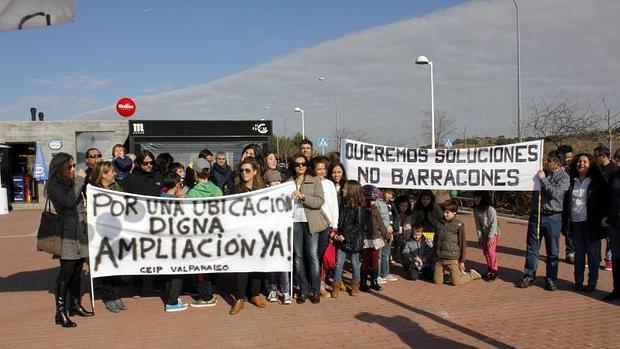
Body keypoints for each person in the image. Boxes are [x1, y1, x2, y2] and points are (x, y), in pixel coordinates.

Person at [46, 152, 92, 327]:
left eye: (74, 166)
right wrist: (79, 181)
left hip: (81, 230)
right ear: (61, 168)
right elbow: (68, 201)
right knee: (66, 272)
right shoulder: (54, 185)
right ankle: (60, 312)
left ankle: (74, 304)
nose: (73, 169)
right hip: (67, 232)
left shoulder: (73, 182)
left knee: (78, 270)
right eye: (70, 166)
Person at [521, 150, 571, 291]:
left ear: (558, 163)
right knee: (532, 247)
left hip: (553, 217)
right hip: (537, 215)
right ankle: (529, 275)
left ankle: (550, 279)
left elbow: (556, 193)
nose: (546, 163)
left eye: (549, 161)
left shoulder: (564, 177)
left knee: (553, 251)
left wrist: (543, 179)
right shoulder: (540, 173)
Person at [227, 158, 269, 314]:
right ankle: (239, 298)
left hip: (259, 232)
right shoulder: (236, 189)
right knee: (242, 266)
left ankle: (255, 294)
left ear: (255, 172)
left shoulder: (263, 190)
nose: (244, 173)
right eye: (242, 170)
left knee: (257, 265)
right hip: (242, 233)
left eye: (248, 170)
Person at [289, 153, 328, 304]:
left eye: (303, 164)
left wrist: (303, 197)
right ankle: (303, 291)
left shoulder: (314, 180)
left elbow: (320, 201)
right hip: (294, 222)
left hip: (311, 222)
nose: (300, 166)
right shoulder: (288, 182)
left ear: (307, 166)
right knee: (298, 257)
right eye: (297, 164)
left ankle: (316, 290)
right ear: (293, 166)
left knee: (312, 255)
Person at [564, 154, 606, 292]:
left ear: (590, 164)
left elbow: (603, 201)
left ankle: (592, 282)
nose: (581, 164)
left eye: (585, 162)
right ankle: (578, 281)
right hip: (575, 223)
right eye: (579, 161)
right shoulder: (571, 180)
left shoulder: (596, 181)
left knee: (593, 254)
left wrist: (604, 217)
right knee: (579, 253)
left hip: (591, 223)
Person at [90, 161, 127, 313]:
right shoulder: (95, 191)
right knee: (106, 266)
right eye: (111, 171)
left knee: (116, 267)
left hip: (117, 232)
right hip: (102, 234)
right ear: (103, 174)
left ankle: (116, 295)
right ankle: (110, 297)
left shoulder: (116, 187)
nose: (114, 174)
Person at [186, 159, 221, 308]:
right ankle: (211, 291)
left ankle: (206, 297)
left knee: (201, 266)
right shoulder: (217, 190)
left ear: (195, 173)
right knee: (211, 263)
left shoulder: (192, 193)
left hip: (199, 234)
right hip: (214, 233)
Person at [433, 200, 481, 286]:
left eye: (447, 212)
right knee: (437, 282)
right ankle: (453, 275)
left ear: (454, 212)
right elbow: (435, 239)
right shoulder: (439, 223)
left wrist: (461, 261)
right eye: (444, 212)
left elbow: (463, 244)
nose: (444, 214)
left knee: (456, 282)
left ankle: (472, 275)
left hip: (452, 258)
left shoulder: (459, 225)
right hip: (439, 258)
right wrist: (435, 253)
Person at [311, 156, 339, 298]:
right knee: (313, 255)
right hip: (313, 224)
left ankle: (321, 281)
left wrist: (334, 225)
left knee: (323, 255)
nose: (321, 172)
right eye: (318, 169)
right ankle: (316, 283)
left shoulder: (329, 184)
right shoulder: (310, 183)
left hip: (326, 225)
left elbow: (334, 205)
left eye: (323, 169)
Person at [263, 169, 292, 305]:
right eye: (273, 182)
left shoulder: (286, 196)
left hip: (283, 235)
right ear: (267, 184)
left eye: (278, 181)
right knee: (271, 264)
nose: (276, 183)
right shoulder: (263, 199)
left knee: (284, 265)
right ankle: (273, 289)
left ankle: (286, 291)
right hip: (269, 235)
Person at [332, 180, 365, 297]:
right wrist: (337, 233)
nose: (343, 190)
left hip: (354, 240)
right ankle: (335, 286)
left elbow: (358, 225)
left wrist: (345, 236)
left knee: (355, 263)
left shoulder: (359, 207)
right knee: (339, 263)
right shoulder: (342, 203)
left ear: (351, 191)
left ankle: (355, 286)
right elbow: (339, 220)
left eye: (345, 188)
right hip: (341, 239)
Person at [360, 185, 388, 292]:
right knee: (366, 261)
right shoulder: (361, 209)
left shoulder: (375, 209)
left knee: (375, 260)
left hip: (376, 238)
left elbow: (380, 222)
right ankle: (363, 282)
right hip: (366, 239)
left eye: (374, 200)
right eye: (371, 200)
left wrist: (386, 235)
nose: (374, 202)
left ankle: (374, 281)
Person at [595, 145, 617, 271]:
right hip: (597, 206)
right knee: (596, 235)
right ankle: (595, 258)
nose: (596, 159)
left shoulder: (614, 170)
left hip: (609, 208)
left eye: (597, 156)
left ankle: (609, 259)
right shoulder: (597, 169)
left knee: (610, 236)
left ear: (604, 156)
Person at [472, 191, 501, 281]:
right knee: (485, 252)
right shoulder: (476, 209)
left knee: (491, 252)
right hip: (484, 233)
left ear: (483, 198)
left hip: (493, 233)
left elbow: (494, 223)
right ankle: (489, 267)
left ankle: (494, 270)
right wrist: (480, 237)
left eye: (478, 197)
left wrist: (491, 237)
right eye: (475, 197)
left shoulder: (490, 209)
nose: (476, 199)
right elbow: (478, 224)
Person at [602, 164, 620, 301]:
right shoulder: (614, 176)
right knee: (616, 258)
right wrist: (606, 216)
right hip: (614, 222)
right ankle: (617, 289)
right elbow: (608, 198)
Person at [378, 188, 399, 284]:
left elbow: (394, 217)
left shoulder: (391, 204)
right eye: (388, 193)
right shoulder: (378, 203)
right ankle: (377, 275)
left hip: (389, 232)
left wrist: (394, 229)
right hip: (381, 232)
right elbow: (380, 217)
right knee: (379, 254)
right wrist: (386, 226)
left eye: (391, 194)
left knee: (386, 254)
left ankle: (385, 273)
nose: (390, 195)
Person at [394, 195, 413, 262]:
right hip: (396, 236)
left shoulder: (409, 215)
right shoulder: (395, 214)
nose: (404, 208)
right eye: (402, 206)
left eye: (406, 206)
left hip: (406, 237)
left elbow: (409, 227)